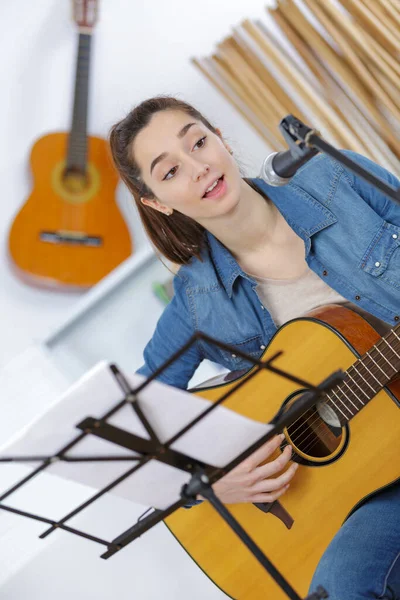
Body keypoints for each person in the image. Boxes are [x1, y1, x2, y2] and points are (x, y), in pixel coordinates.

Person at [109, 96, 400, 599]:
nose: (199, 168)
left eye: (199, 142)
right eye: (171, 171)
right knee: (343, 584)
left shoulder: (338, 178)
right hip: (380, 474)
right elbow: (130, 430)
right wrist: (206, 484)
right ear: (156, 200)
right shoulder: (199, 303)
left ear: (220, 137)